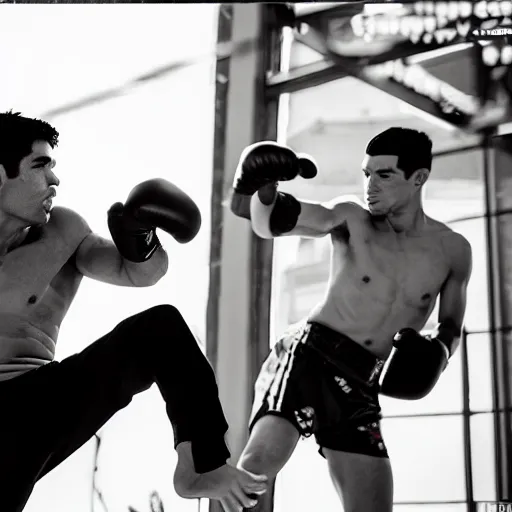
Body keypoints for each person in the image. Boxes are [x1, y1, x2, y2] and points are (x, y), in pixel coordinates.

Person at [0, 111, 267, 512]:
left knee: (160, 328)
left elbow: (140, 274)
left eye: (54, 166)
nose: (55, 179)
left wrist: (138, 237)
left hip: (34, 409)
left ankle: (203, 464)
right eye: (40, 166)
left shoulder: (63, 231)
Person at [228, 128, 473, 512]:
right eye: (366, 174)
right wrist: (263, 188)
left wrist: (438, 353)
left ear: (419, 178)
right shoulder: (350, 218)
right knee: (255, 471)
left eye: (384, 175)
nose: (370, 186)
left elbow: (452, 327)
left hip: (361, 381)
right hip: (310, 357)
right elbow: (269, 224)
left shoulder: (453, 251)